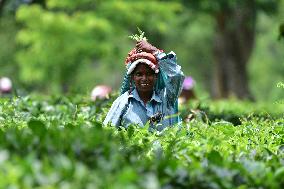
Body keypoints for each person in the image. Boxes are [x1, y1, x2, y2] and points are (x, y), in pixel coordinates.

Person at [103, 40, 185, 131]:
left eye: (149, 74)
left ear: (156, 77)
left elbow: (176, 75)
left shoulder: (167, 99)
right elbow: (108, 132)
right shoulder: (123, 103)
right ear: (132, 78)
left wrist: (154, 51)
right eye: (139, 74)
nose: (144, 78)